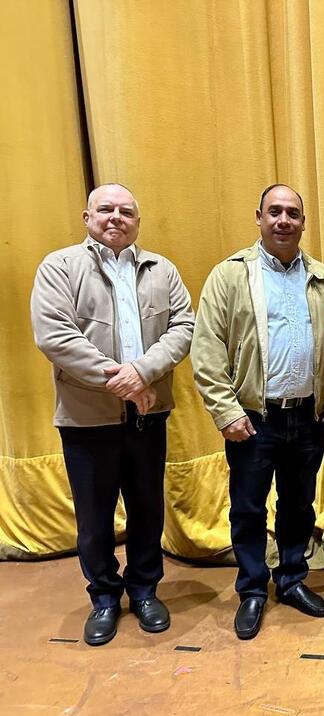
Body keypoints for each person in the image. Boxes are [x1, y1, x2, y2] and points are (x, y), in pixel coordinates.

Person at [30, 183, 194, 646]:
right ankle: (103, 597)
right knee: (95, 517)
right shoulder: (59, 267)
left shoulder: (162, 269)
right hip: (87, 419)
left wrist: (142, 372)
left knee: (147, 509)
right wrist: (121, 380)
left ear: (138, 222)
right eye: (106, 209)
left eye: (126, 211)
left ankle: (144, 591)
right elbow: (54, 335)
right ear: (87, 217)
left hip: (148, 415)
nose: (116, 217)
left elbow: (183, 327)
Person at [191, 183, 324, 640]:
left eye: (293, 213)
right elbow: (207, 350)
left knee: (299, 505)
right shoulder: (230, 277)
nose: (284, 220)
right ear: (259, 217)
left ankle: (292, 578)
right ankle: (251, 590)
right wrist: (226, 411)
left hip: (307, 417)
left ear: (303, 222)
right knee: (247, 507)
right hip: (253, 419)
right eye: (275, 212)